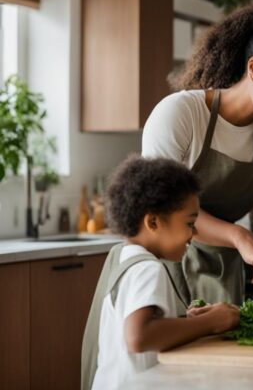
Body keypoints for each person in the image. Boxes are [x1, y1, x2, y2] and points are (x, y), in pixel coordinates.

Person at [142, 1, 253, 305]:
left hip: (220, 282)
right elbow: (164, 206)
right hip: (158, 273)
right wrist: (241, 238)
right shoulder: (181, 115)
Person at [83, 156, 240, 390]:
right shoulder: (149, 268)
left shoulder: (128, 259)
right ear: (153, 222)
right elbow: (139, 336)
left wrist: (187, 320)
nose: (194, 232)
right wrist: (211, 322)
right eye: (189, 223)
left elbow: (143, 326)